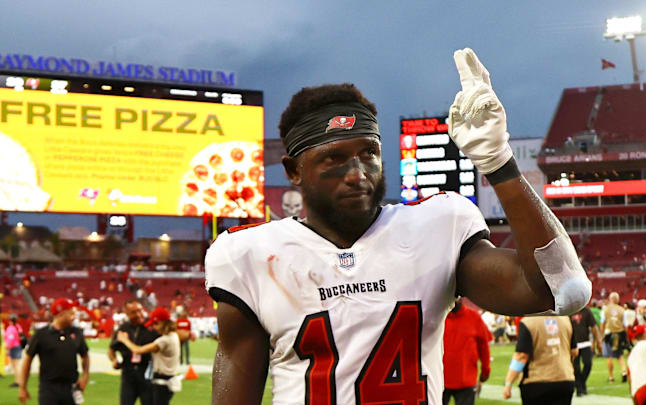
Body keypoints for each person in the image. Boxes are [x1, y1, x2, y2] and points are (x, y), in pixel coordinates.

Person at [205, 48, 592, 404]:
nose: (356, 174)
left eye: (368, 152)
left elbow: (562, 289)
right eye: (333, 158)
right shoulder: (253, 256)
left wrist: (498, 161)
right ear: (293, 171)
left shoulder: (435, 226)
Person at [18, 298, 90, 405]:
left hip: (71, 388)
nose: (74, 317)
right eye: (71, 314)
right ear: (61, 314)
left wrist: (85, 376)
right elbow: (27, 361)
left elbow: (85, 355)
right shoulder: (41, 335)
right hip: (49, 389)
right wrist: (22, 387)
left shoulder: (77, 333)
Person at [502, 316, 577, 404]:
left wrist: (508, 383)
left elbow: (521, 356)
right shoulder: (566, 320)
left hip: (537, 381)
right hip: (564, 380)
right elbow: (574, 351)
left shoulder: (528, 322)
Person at [117, 307, 180, 405]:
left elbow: (138, 350)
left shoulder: (164, 340)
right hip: (168, 381)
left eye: (155, 324)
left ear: (162, 323)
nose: (154, 328)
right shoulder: (174, 335)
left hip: (161, 383)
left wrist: (124, 339)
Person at [108, 299, 160, 405]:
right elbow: (111, 349)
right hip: (128, 374)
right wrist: (114, 360)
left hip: (147, 373)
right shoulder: (123, 328)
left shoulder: (152, 326)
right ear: (127, 314)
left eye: (140, 310)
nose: (138, 314)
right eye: (133, 312)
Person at [442, 297, 492, 405]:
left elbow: (484, 348)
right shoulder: (438, 317)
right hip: (440, 380)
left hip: (465, 380)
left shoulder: (474, 317)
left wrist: (485, 372)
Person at [571, 304, 602, 397]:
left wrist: (598, 341)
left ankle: (581, 383)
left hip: (585, 343)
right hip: (573, 344)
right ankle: (580, 389)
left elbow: (593, 326)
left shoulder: (586, 311)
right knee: (576, 368)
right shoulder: (568, 311)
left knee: (588, 364)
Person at [602, 292, 629, 382]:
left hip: (608, 334)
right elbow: (625, 325)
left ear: (610, 299)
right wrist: (626, 336)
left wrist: (602, 334)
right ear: (617, 300)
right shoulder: (622, 310)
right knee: (619, 355)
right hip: (619, 333)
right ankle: (624, 371)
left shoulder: (605, 309)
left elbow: (602, 322)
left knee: (609, 356)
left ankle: (611, 376)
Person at [5, 314, 24, 387]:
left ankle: (18, 381)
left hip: (13, 347)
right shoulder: (18, 326)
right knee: (17, 365)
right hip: (18, 346)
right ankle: (19, 380)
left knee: (15, 365)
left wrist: (8, 349)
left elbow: (10, 339)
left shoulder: (10, 328)